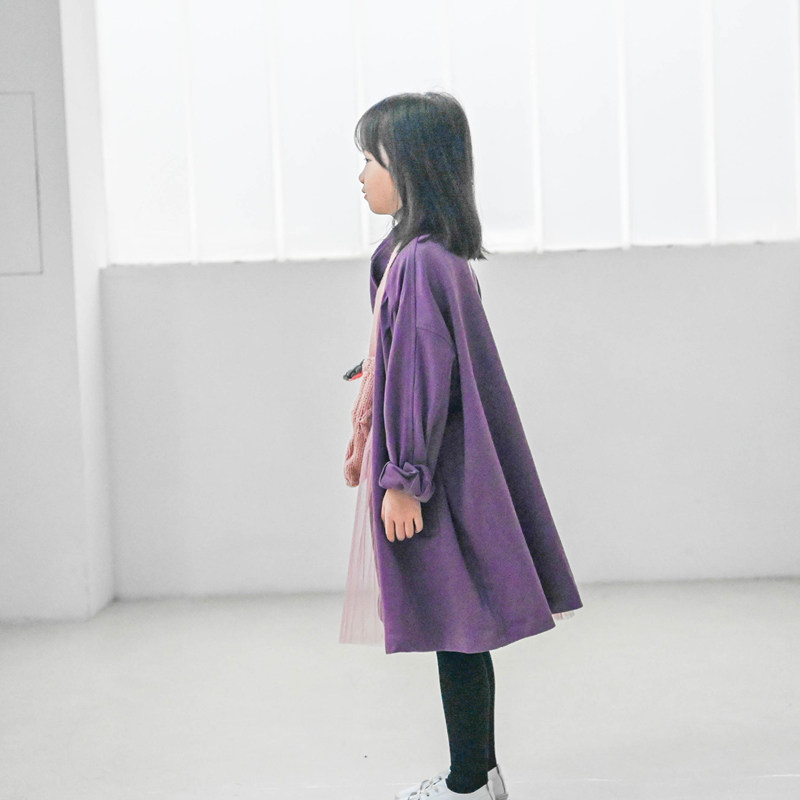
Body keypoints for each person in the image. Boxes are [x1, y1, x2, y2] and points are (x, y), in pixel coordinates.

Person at [340, 92, 583, 800]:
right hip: (448, 465)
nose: (361, 175)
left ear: (410, 167)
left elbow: (422, 373)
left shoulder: (419, 262)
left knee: (456, 626)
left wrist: (403, 478)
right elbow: (407, 355)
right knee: (461, 625)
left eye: (371, 159)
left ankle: (468, 784)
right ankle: (480, 775)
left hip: (437, 474)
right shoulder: (424, 257)